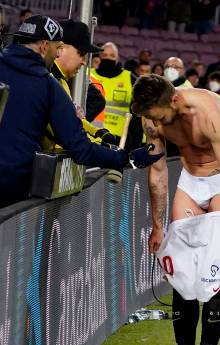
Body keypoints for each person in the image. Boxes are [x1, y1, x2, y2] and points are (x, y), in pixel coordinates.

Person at [131, 74, 220, 345]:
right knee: (182, 274)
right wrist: (158, 226)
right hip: (190, 181)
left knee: (214, 274)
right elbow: (157, 171)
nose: (153, 123)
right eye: (148, 118)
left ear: (173, 100)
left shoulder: (207, 110)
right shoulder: (151, 117)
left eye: (157, 116)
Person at [0, 15, 129, 207]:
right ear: (44, 46)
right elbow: (80, 148)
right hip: (12, 190)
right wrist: (120, 157)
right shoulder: (48, 85)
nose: (58, 54)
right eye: (57, 47)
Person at [44, 19, 115, 151]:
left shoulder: (61, 82)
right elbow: (66, 132)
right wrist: (103, 146)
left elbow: (72, 122)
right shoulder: (47, 81)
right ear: (61, 47)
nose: (83, 62)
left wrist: (98, 132)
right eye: (81, 54)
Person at [91, 42, 139, 144]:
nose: (108, 58)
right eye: (104, 55)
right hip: (92, 136)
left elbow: (137, 113)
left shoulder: (130, 78)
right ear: (99, 57)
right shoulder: (89, 75)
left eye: (112, 56)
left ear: (117, 58)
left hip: (120, 139)